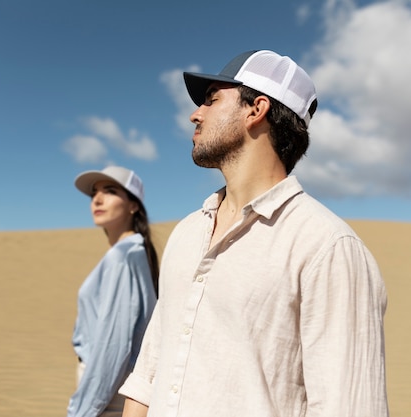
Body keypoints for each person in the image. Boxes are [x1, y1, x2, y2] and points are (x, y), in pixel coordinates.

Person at [119, 50, 389, 417]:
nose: (195, 114)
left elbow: (350, 406)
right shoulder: (186, 233)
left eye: (212, 100)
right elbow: (150, 371)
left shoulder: (327, 247)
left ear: (256, 109)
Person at [67, 165, 159, 417]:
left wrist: (82, 410)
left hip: (106, 391)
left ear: (133, 205)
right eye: (94, 193)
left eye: (110, 191)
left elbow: (113, 345)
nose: (97, 199)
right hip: (110, 388)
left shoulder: (123, 256)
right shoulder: (134, 252)